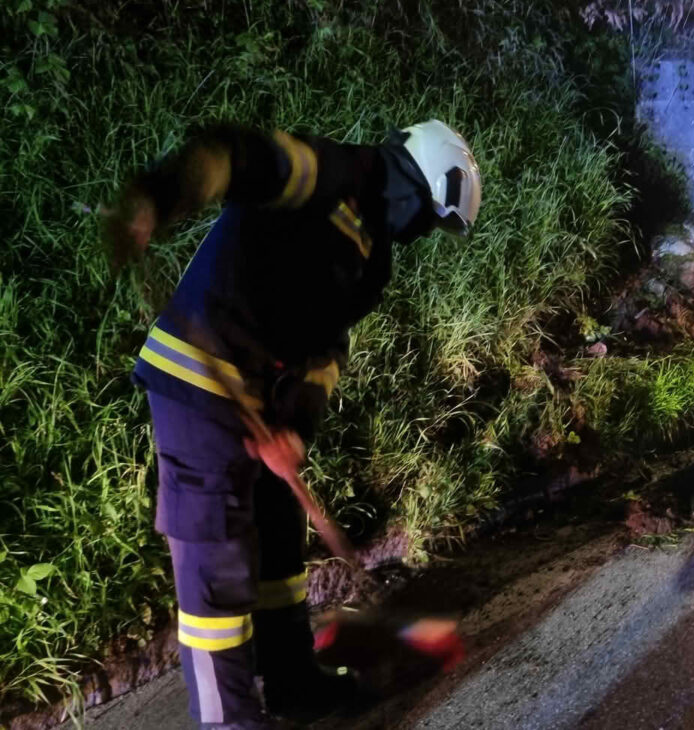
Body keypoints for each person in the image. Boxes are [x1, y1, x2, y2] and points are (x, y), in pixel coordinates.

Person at [105, 120, 481, 728]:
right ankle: (231, 719)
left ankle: (292, 682)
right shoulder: (331, 173)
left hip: (264, 398)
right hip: (201, 380)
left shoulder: (372, 258)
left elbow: (326, 352)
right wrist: (158, 196)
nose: (420, 233)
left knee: (280, 542)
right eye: (428, 218)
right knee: (215, 565)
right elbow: (237, 159)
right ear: (420, 183)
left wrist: (296, 429)